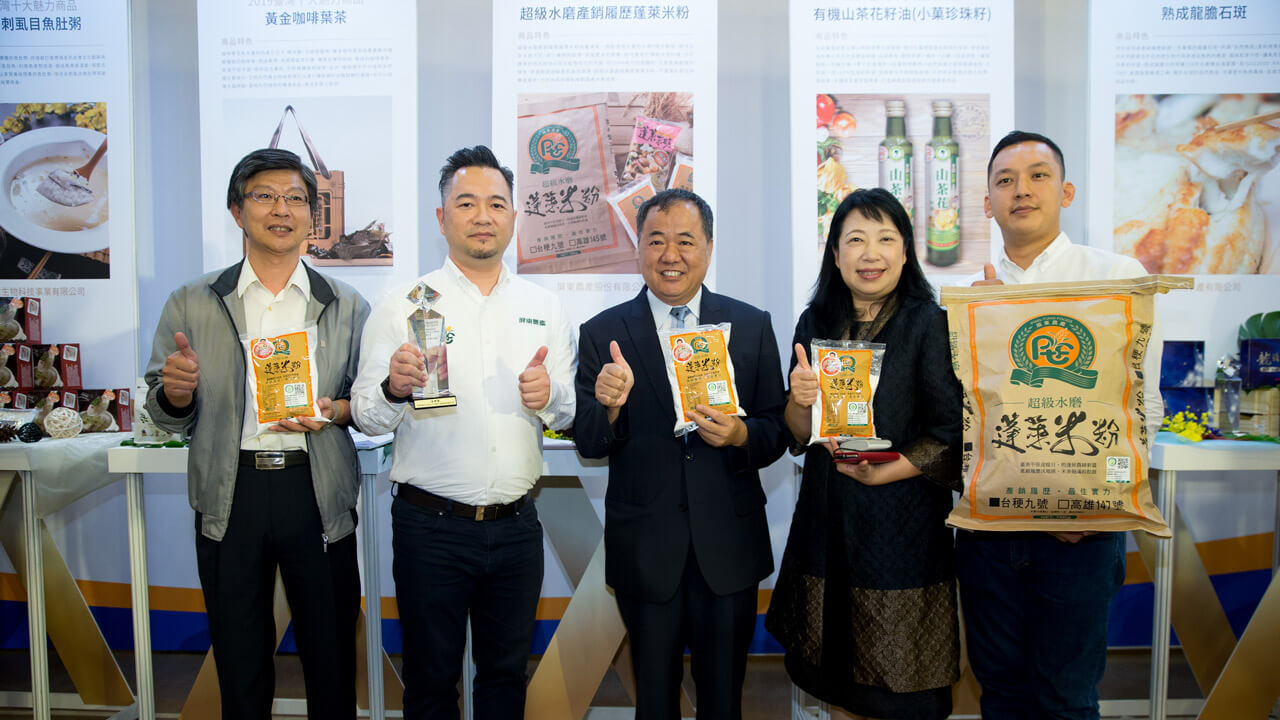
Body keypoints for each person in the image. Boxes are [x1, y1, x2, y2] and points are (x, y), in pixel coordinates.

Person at [349, 145, 575, 719]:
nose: (482, 216)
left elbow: (568, 412)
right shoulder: (401, 304)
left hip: (517, 527)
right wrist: (394, 389)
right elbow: (367, 417)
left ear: (513, 217)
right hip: (431, 529)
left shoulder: (543, 306)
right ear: (441, 217)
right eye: (467, 203)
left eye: (496, 204)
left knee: (505, 680)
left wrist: (550, 397)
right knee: (430, 684)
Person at [144, 148, 370, 719]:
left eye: (295, 198)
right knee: (239, 656)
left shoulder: (347, 304)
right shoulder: (193, 301)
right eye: (265, 196)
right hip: (231, 493)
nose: (281, 209)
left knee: (331, 653)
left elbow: (367, 405)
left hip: (315, 491)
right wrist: (176, 393)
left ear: (312, 215)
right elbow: (163, 411)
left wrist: (335, 410)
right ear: (236, 210)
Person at [955, 130, 1163, 720]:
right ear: (987, 202)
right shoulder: (966, 297)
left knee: (1067, 697)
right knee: (1001, 694)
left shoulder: (1116, 276)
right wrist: (978, 323)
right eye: (1005, 181)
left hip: (1080, 537)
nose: (1021, 190)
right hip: (990, 534)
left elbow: (1142, 404)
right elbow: (961, 416)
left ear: (1066, 192)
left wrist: (1099, 507)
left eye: (1038, 176)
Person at [575, 188, 788, 720]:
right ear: (638, 248)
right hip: (646, 550)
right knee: (654, 703)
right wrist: (610, 409)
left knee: (723, 702)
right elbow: (590, 443)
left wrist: (740, 435)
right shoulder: (603, 333)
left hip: (729, 548)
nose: (670, 255)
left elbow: (776, 429)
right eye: (656, 241)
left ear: (709, 249)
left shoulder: (751, 324)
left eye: (686, 241)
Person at [764, 188, 962, 720]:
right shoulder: (814, 322)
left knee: (900, 684)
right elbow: (797, 434)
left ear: (906, 251)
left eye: (885, 239)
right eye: (855, 240)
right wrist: (799, 400)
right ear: (835, 254)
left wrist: (887, 472)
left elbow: (950, 430)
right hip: (829, 522)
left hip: (903, 526)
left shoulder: (928, 322)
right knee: (839, 683)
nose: (870, 254)